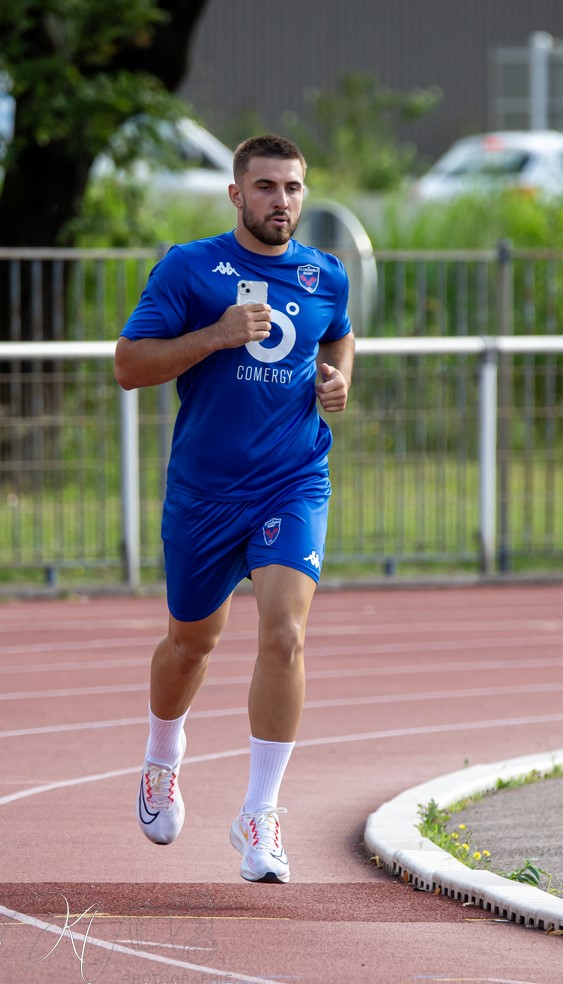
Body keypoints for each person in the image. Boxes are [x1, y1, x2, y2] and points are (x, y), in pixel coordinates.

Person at [114, 134, 354, 884]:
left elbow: (339, 338)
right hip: (205, 491)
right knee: (192, 641)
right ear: (235, 194)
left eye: (291, 188)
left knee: (284, 636)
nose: (279, 201)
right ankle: (163, 755)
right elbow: (128, 365)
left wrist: (336, 382)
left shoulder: (324, 275)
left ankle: (260, 812)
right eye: (264, 187)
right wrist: (214, 336)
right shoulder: (190, 268)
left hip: (291, 480)